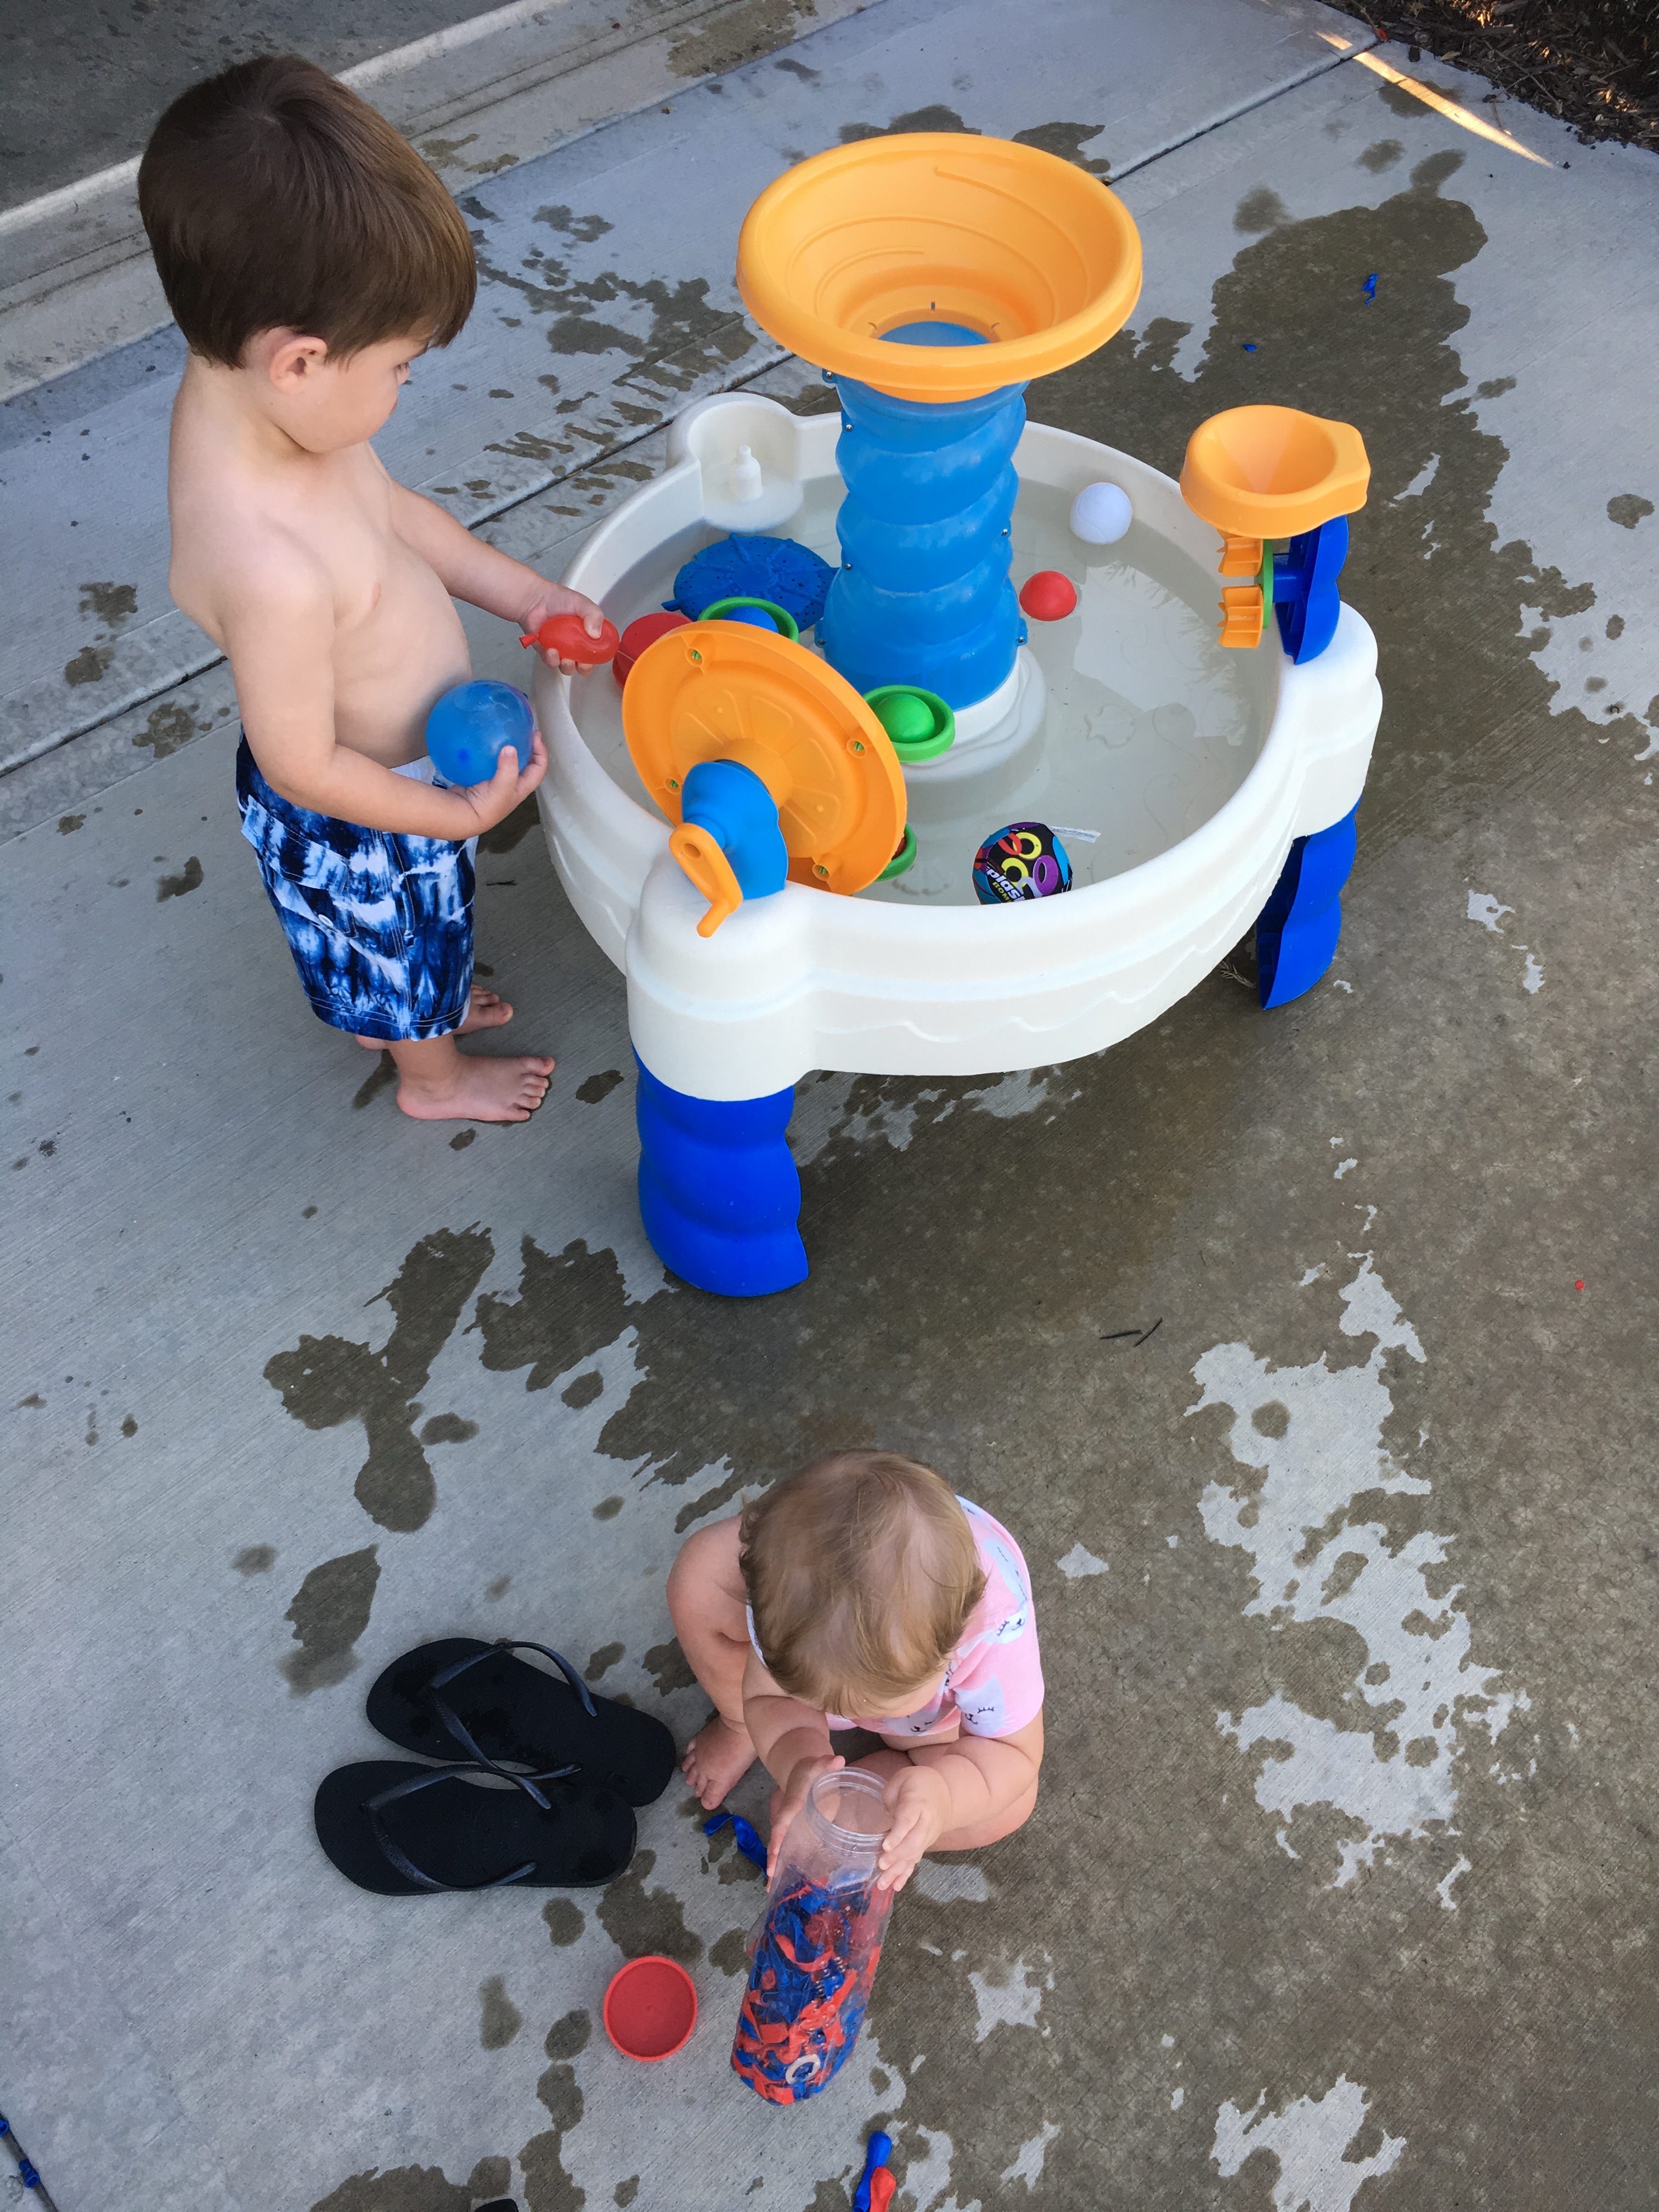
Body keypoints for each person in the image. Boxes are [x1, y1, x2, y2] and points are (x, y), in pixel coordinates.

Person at [138, 55, 608, 1123]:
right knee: (402, 950)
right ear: (299, 361)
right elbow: (305, 766)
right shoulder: (271, 567)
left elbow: (400, 518)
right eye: (400, 368)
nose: (403, 388)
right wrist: (448, 819)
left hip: (395, 782)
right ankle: (432, 1080)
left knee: (401, 953)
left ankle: (402, 1004)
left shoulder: (259, 402)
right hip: (362, 809)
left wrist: (527, 596)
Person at [669, 1451, 1044, 1893]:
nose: (834, 1716)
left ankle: (879, 1803)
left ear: (951, 1650)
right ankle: (740, 1725)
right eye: (816, 1702)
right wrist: (800, 1761)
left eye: (859, 1705)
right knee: (698, 1576)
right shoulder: (781, 1578)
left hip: (929, 1726)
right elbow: (771, 1697)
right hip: (817, 1640)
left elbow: (1014, 1753)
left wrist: (944, 1797)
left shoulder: (993, 1632)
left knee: (1009, 1804)